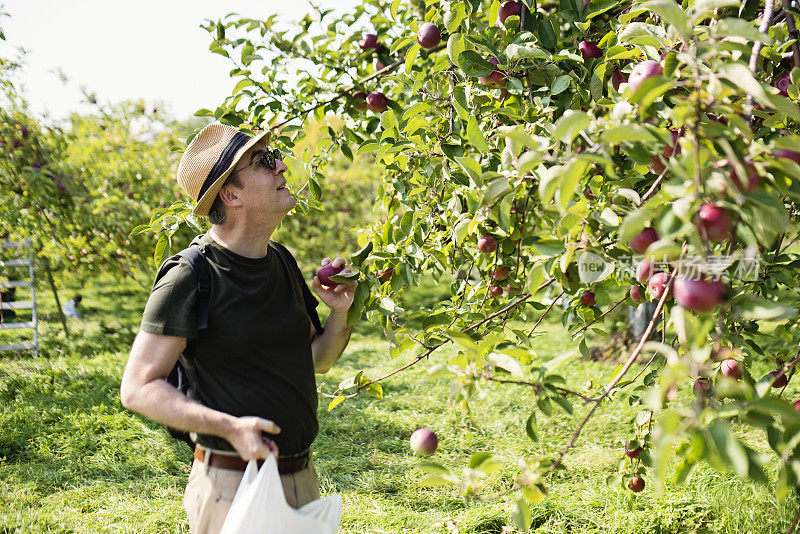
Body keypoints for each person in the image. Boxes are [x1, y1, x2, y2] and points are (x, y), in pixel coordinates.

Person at [120, 123, 358, 533]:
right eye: (264, 162)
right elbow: (137, 388)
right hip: (232, 486)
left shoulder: (281, 261)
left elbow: (317, 359)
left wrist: (340, 312)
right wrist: (230, 428)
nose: (282, 165)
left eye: (275, 155)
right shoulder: (192, 275)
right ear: (230, 195)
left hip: (300, 478)